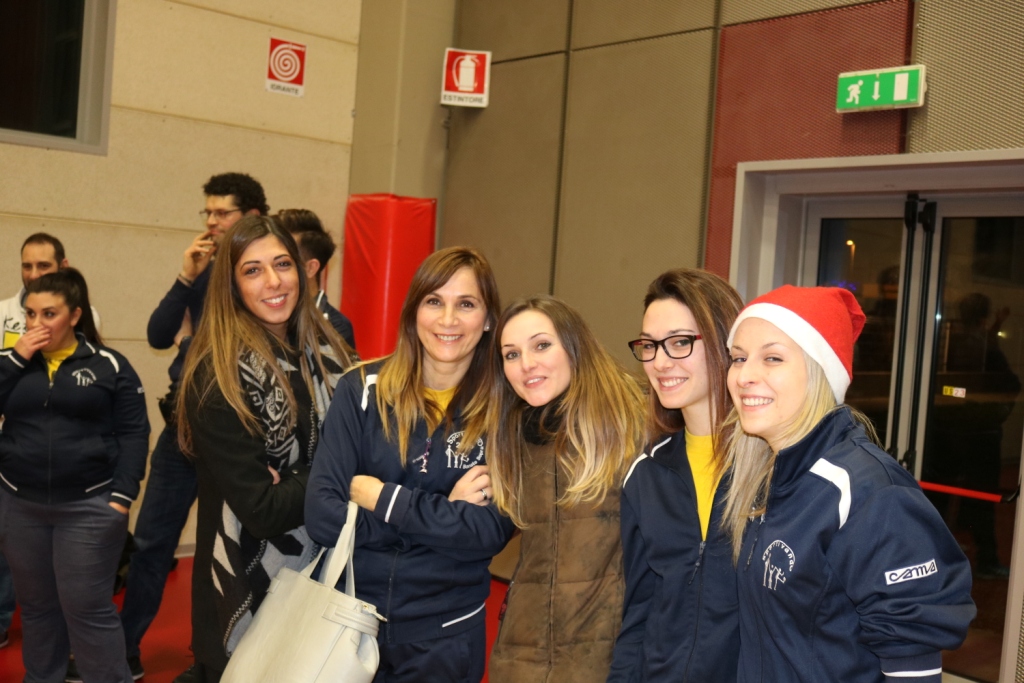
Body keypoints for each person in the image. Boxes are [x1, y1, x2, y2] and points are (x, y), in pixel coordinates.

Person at [722, 285, 976, 683]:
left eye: (772, 357)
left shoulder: (870, 492)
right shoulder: (765, 477)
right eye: (739, 358)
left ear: (821, 372)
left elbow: (912, 660)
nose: (744, 375)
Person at [306, 246, 516, 683]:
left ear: (488, 319)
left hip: (446, 633)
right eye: (434, 301)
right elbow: (323, 518)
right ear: (413, 311)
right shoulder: (360, 390)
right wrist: (444, 513)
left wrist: (381, 499)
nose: (448, 320)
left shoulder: (507, 409)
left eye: (466, 304)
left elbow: (489, 533)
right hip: (348, 620)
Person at [175, 216, 353, 682]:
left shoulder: (328, 352)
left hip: (328, 577)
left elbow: (370, 446)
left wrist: (293, 479)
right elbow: (263, 511)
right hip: (247, 590)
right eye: (252, 270)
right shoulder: (217, 374)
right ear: (231, 286)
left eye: (282, 264)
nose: (273, 281)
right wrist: (341, 474)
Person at [118, 172, 268, 680]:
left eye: (222, 213)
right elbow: (158, 334)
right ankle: (124, 648)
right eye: (208, 212)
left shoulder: (258, 278)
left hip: (234, 434)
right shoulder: (203, 270)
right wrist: (186, 277)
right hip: (181, 431)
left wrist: (191, 341)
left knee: (230, 551)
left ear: (250, 216)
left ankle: (225, 655)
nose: (211, 222)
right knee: (151, 543)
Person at [0, 269, 149, 683]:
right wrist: (17, 358)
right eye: (30, 314)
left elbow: (134, 432)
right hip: (19, 504)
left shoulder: (109, 365)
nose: (37, 324)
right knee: (37, 607)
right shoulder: (11, 362)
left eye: (49, 314)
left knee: (87, 608)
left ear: (75, 315)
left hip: (89, 506)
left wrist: (122, 496)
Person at [485, 296, 645, 682]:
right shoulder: (509, 436)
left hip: (607, 657)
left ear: (574, 345)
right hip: (520, 656)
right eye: (511, 354)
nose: (526, 364)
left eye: (541, 345)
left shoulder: (634, 424)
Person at [608, 268, 743, 682]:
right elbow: (640, 613)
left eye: (680, 342)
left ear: (724, 343)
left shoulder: (773, 470)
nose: (660, 362)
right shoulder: (645, 475)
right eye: (649, 345)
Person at [0, 231, 104, 652]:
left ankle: (67, 639)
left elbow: (89, 381)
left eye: (42, 265)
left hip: (61, 458)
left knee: (61, 565)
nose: (32, 273)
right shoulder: (3, 312)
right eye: (26, 265)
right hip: (10, 449)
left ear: (62, 266)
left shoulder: (84, 314)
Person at [273, 208, 357, 350]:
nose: (271, 278)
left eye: (283, 263)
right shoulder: (264, 313)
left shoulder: (335, 327)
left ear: (310, 268)